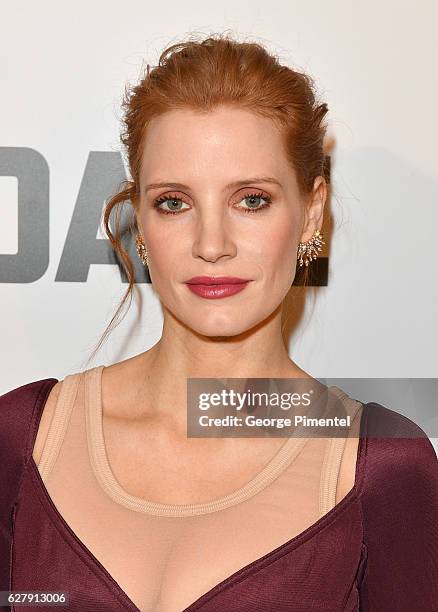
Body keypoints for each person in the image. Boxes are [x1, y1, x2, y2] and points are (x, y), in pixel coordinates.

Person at [1, 33, 437, 612]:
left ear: (311, 213)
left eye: (251, 200)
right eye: (174, 202)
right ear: (141, 221)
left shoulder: (383, 464)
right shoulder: (23, 437)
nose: (211, 245)